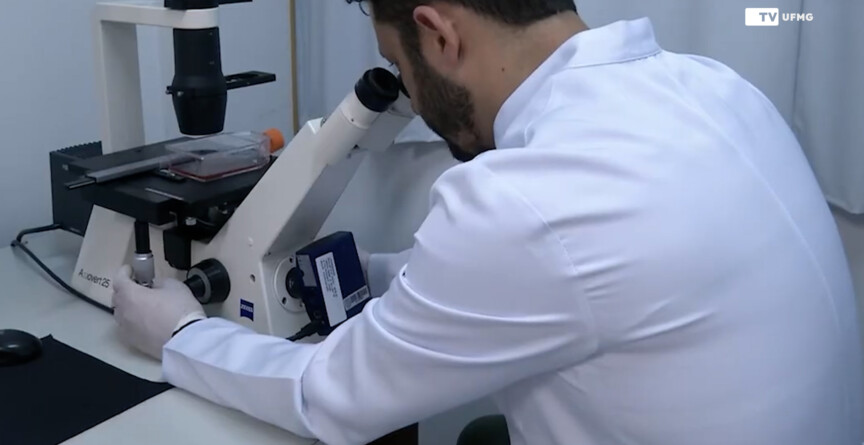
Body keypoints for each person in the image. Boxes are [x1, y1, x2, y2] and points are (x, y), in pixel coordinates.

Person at [112, 1, 864, 444]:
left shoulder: (525, 198)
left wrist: (180, 335)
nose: (407, 94)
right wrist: (374, 273)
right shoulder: (713, 88)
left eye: (399, 66)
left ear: (439, 35)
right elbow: (562, 278)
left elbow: (329, 399)